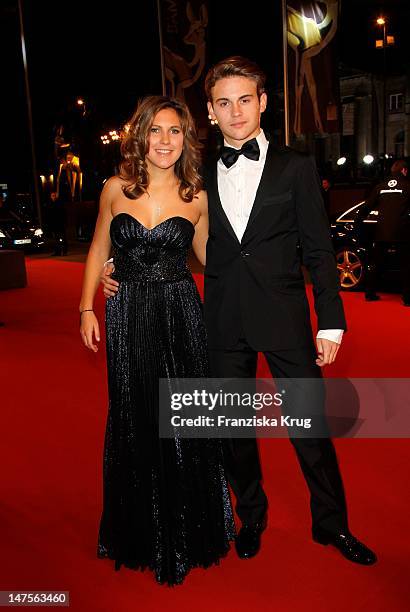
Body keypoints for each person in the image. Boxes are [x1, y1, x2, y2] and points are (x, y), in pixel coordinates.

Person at [102, 57, 376, 566]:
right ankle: (252, 516)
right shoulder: (196, 175)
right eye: (223, 103)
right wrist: (113, 268)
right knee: (233, 433)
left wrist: (331, 320)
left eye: (244, 100)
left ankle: (331, 525)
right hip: (222, 325)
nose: (235, 112)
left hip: (286, 321)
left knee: (310, 429)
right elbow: (154, 222)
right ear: (209, 111)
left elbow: (318, 252)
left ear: (263, 102)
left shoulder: (295, 167)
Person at [79, 95, 234, 586]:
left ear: (186, 138)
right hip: (126, 313)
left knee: (184, 420)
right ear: (140, 135)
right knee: (133, 413)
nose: (165, 141)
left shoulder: (197, 197)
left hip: (181, 314)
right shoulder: (114, 189)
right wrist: (87, 305)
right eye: (156, 131)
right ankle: (138, 531)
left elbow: (217, 262)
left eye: (175, 131)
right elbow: (100, 246)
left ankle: (189, 531)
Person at [359, 159, 410, 305]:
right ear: (404, 171)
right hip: (401, 232)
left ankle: (369, 294)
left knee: (377, 263)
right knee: (406, 265)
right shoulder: (408, 186)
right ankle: (407, 299)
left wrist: (360, 222)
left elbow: (366, 206)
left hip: (381, 231)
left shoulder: (380, 187)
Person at [49, 191, 68, 256]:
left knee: (62, 238)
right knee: (56, 239)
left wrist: (64, 223)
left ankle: (64, 251)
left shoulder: (59, 204)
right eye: (52, 196)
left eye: (54, 196)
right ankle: (57, 251)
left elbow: (63, 214)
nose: (53, 197)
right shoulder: (50, 204)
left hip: (60, 224)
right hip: (54, 225)